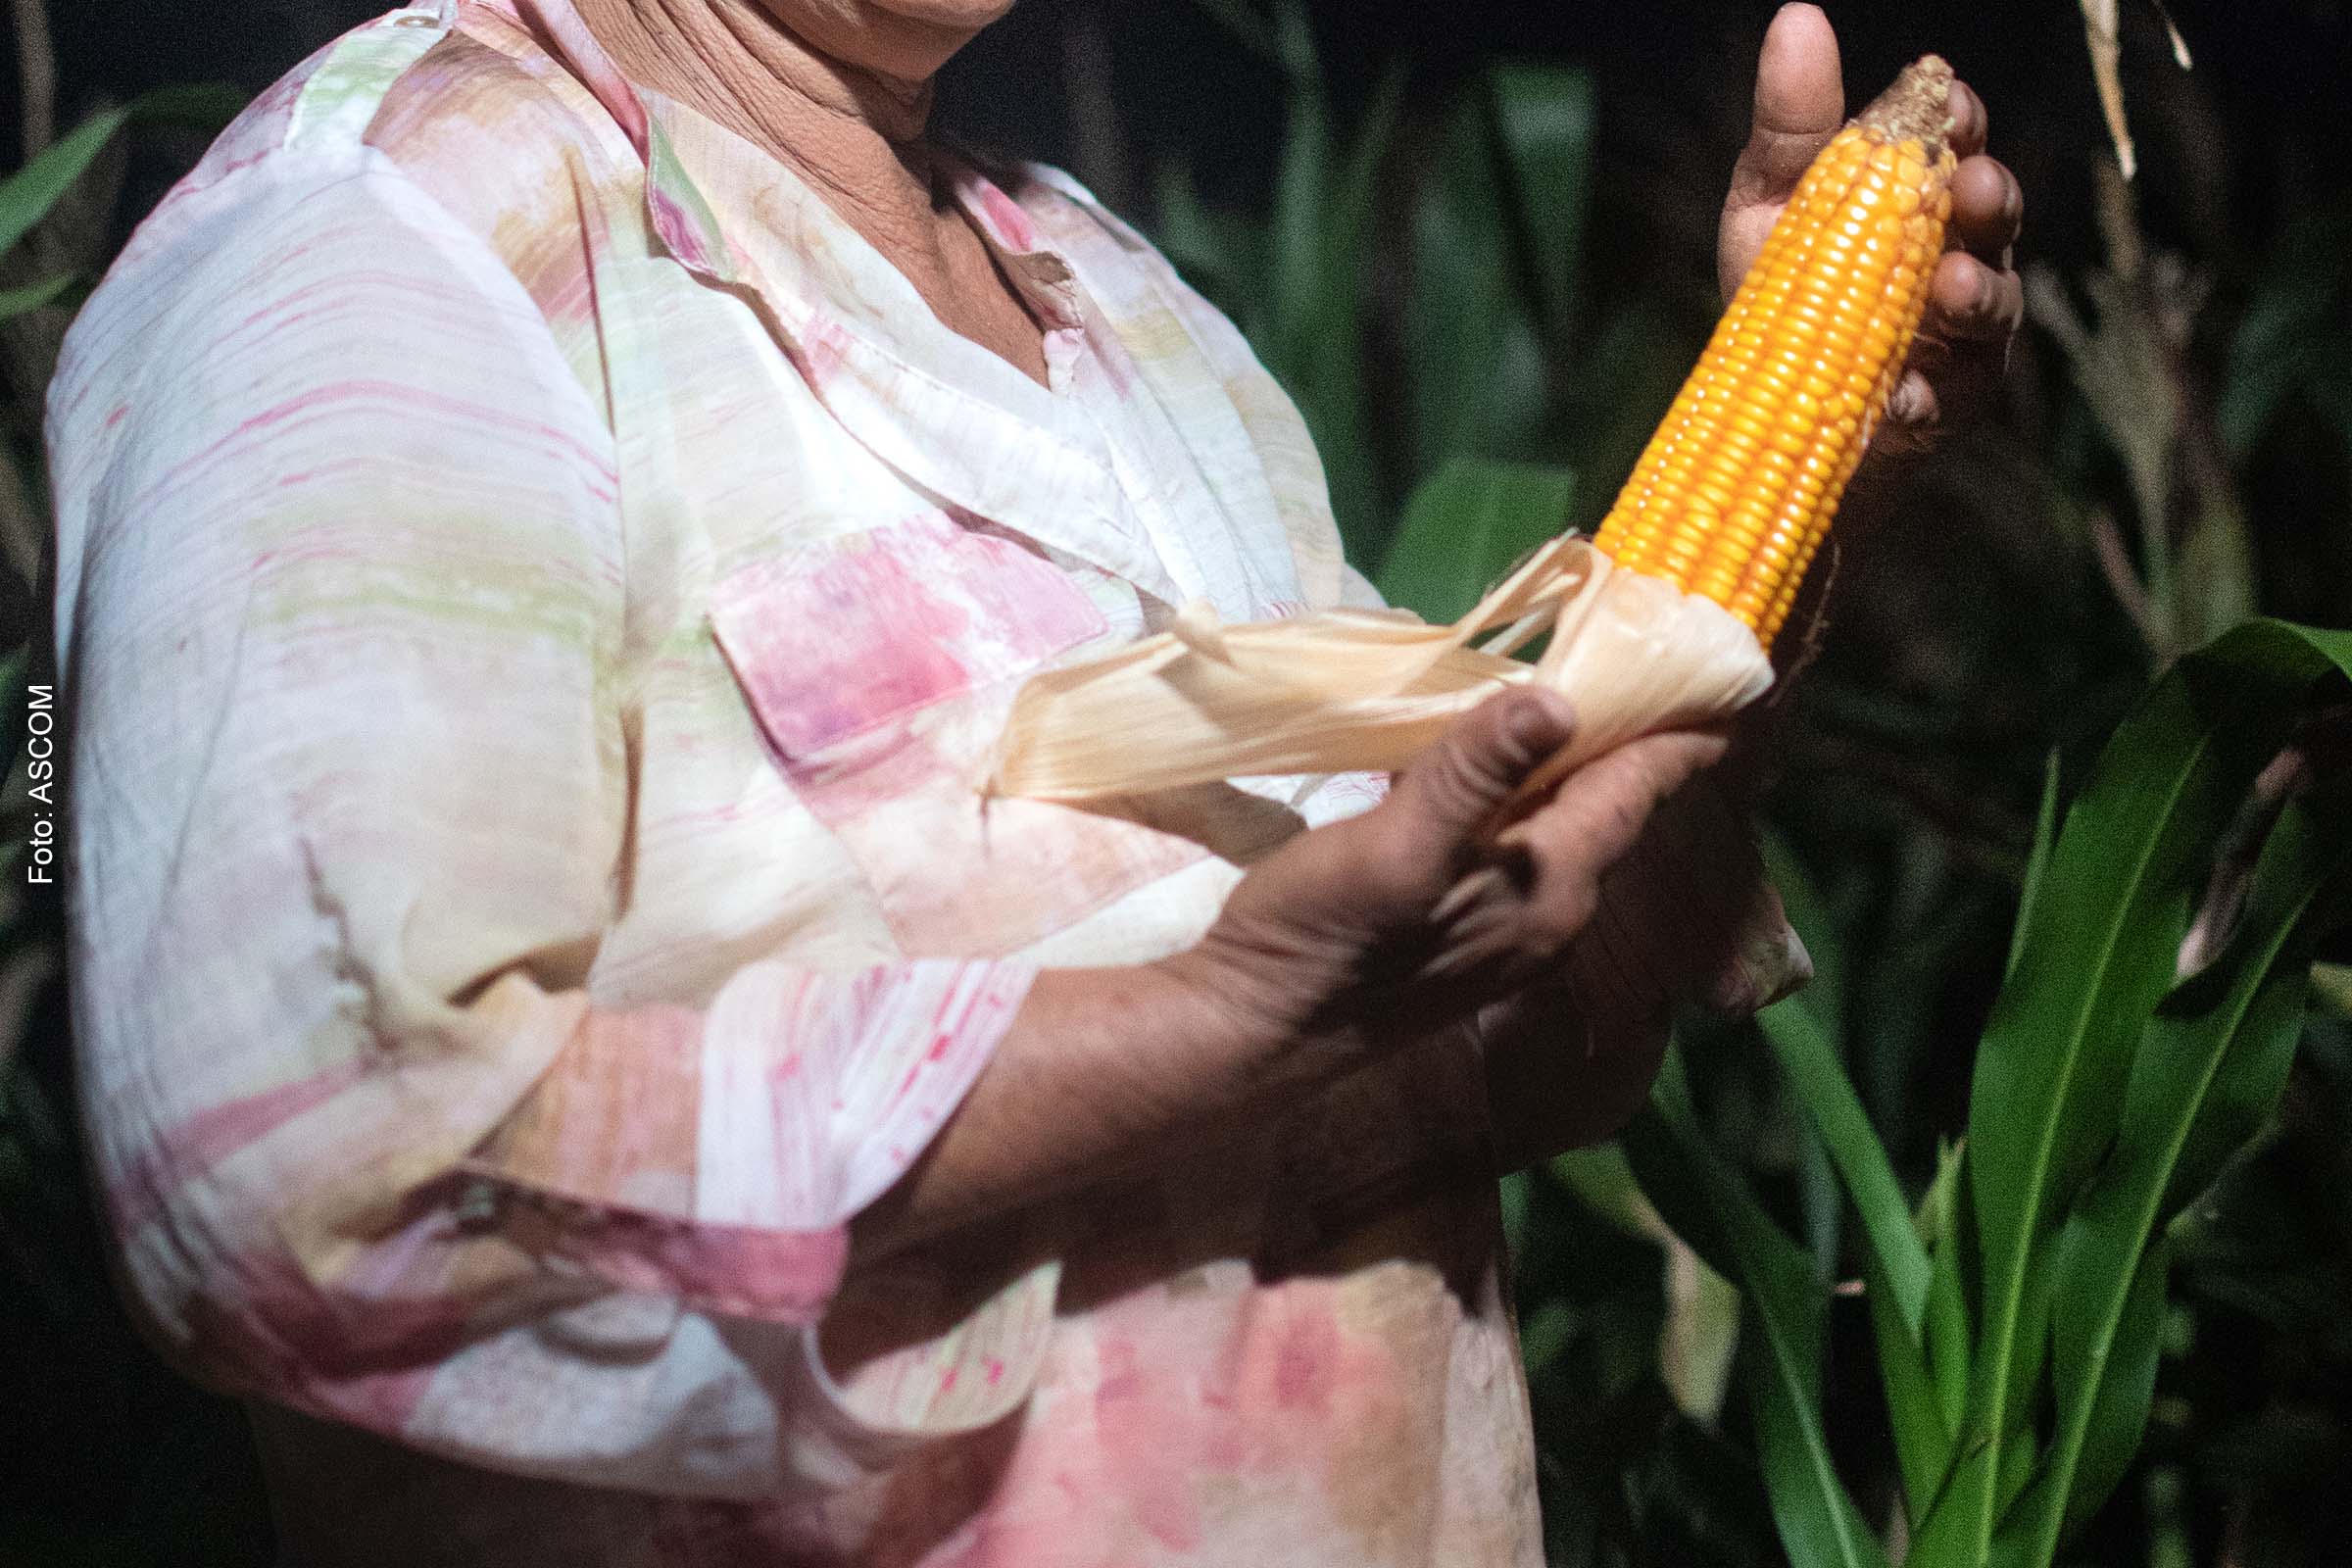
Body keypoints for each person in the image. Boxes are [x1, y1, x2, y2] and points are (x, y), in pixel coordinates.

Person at [45, 0, 2023, 1561]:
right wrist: (1221, 1013)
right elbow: (295, 1167)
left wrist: (1785, 533)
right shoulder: (378, 238)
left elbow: (1522, 1041)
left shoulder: (1121, 306)